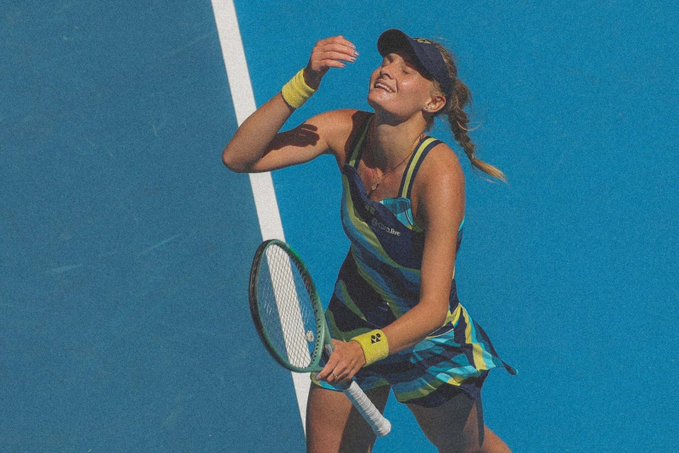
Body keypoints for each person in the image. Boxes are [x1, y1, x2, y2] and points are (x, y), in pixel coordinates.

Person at [224, 29, 516, 453]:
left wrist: (365, 351)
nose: (387, 70)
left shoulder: (438, 173)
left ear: (433, 102)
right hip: (354, 319)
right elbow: (239, 156)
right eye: (387, 61)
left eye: (407, 70)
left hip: (426, 342)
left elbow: (433, 307)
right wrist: (307, 80)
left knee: (469, 450)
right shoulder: (346, 130)